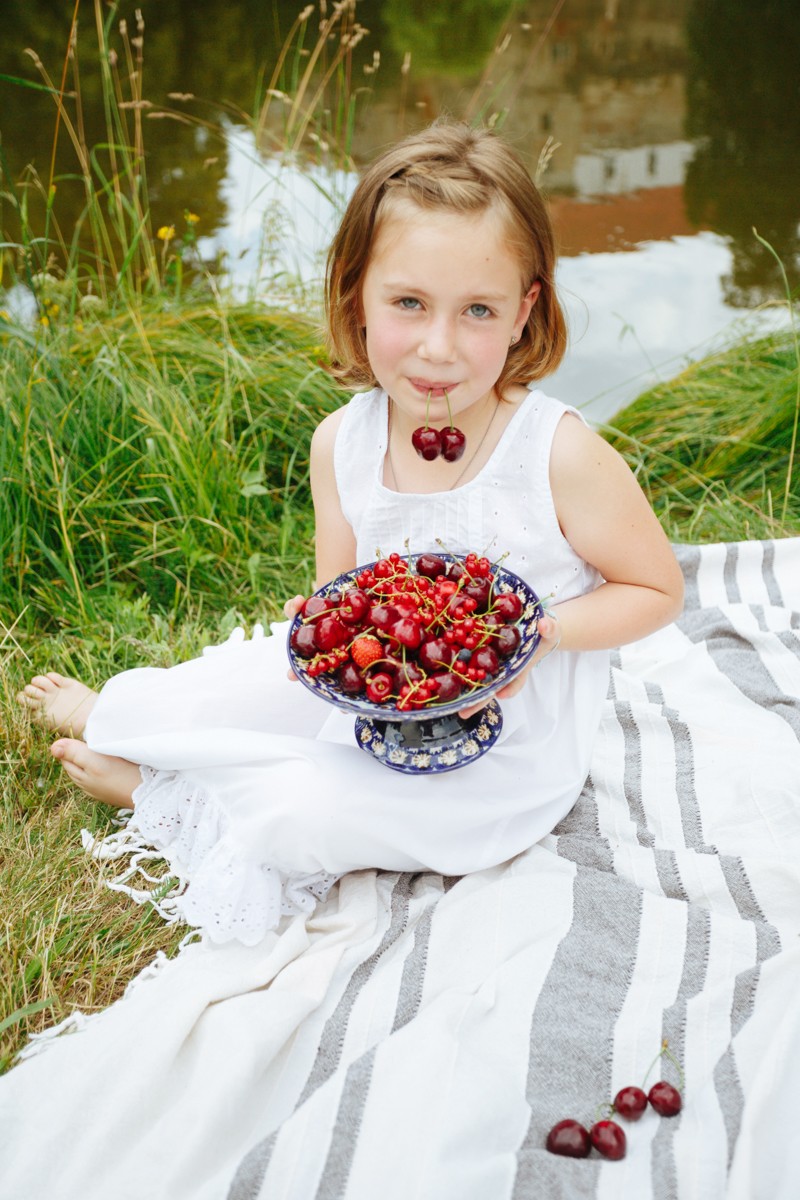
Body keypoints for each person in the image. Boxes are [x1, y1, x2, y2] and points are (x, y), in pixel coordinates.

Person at [18, 122, 684, 946]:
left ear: (524, 312)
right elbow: (342, 603)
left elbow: (658, 589)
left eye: (477, 310)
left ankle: (169, 794)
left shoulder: (557, 452)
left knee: (308, 809)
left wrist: (542, 632)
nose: (439, 347)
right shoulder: (343, 441)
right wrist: (319, 629)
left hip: (504, 747)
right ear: (355, 295)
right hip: (384, 700)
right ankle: (124, 714)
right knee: (226, 686)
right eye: (408, 303)